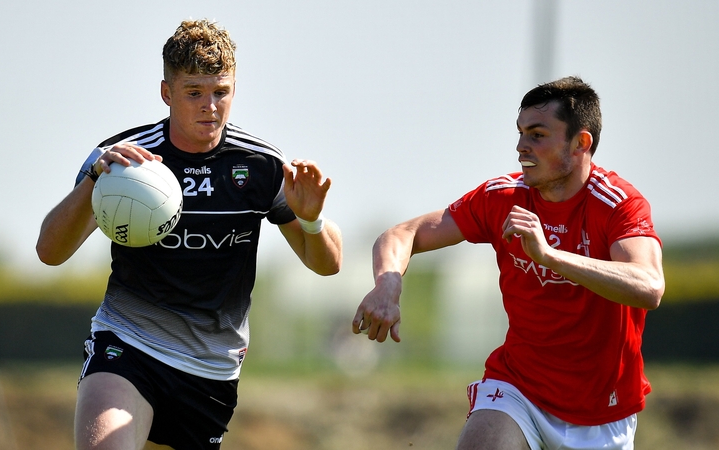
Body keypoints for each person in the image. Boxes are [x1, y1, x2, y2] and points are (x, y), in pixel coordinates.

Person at [36, 19, 342, 450]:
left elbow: (327, 265)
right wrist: (93, 180)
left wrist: (311, 219)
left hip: (210, 370)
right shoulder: (122, 161)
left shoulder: (261, 166)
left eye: (221, 92)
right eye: (194, 93)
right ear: (167, 94)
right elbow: (49, 252)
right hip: (128, 344)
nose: (210, 107)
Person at [352, 76, 664, 450]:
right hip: (518, 389)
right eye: (520, 133)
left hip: (601, 412)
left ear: (581, 142)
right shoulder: (502, 197)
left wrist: (549, 257)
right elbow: (404, 233)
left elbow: (649, 286)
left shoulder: (618, 204)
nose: (520, 147)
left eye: (537, 134)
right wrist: (388, 283)